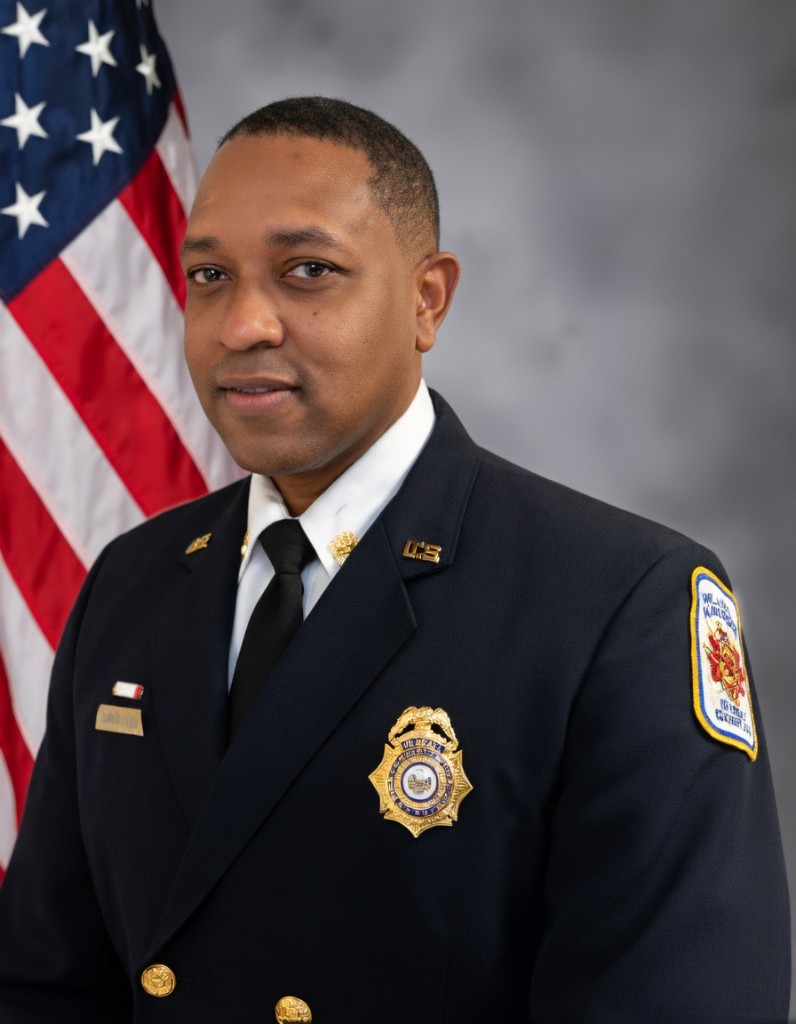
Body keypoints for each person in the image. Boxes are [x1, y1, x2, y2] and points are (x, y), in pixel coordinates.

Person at [0, 96, 789, 1023]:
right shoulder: (132, 584)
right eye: (209, 273)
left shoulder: (623, 606)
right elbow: (44, 986)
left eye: (308, 271)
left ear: (427, 299)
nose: (242, 323)